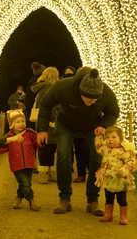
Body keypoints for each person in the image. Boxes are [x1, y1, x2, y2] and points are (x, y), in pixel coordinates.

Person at [36, 68, 120, 216]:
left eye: (95, 99)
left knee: (97, 156)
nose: (92, 101)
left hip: (93, 126)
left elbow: (113, 111)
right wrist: (42, 129)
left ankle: (93, 200)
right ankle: (65, 198)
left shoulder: (105, 92)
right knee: (63, 155)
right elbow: (45, 104)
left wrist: (104, 125)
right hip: (65, 123)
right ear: (81, 91)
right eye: (89, 99)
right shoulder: (64, 87)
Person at [0, 109, 43, 211]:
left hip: (29, 163)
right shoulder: (9, 137)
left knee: (25, 183)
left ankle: (18, 198)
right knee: (25, 184)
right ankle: (32, 201)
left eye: (23, 121)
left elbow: (37, 143)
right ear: (12, 124)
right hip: (17, 165)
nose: (21, 124)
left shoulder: (30, 134)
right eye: (17, 122)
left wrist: (42, 142)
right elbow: (2, 147)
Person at [95, 126, 137, 225]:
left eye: (113, 137)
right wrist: (99, 136)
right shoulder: (105, 149)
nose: (110, 139)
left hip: (120, 179)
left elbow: (130, 162)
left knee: (121, 198)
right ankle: (108, 215)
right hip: (108, 179)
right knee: (109, 197)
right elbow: (98, 147)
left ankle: (123, 217)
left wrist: (123, 171)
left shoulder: (124, 151)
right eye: (107, 137)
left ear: (120, 138)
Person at [31, 66, 60, 183]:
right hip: (49, 122)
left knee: (47, 147)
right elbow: (50, 106)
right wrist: (54, 118)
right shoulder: (50, 89)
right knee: (48, 147)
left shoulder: (41, 89)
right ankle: (44, 172)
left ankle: (47, 171)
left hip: (42, 120)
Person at [62, 66, 90, 183]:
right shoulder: (72, 88)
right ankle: (81, 174)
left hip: (88, 124)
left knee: (87, 150)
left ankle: (92, 174)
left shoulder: (91, 88)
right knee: (79, 150)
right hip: (76, 124)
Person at [25, 62, 46, 129]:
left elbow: (28, 98)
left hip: (32, 109)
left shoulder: (31, 81)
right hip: (38, 109)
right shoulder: (41, 82)